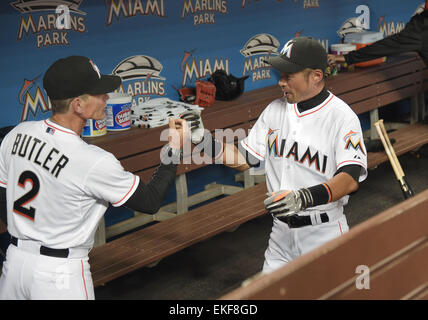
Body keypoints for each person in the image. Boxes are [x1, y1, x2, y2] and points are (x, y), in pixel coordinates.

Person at [0, 55, 189, 300]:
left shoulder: (18, 133)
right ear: (77, 105)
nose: (106, 98)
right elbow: (150, 201)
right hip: (58, 275)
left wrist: (28, 230)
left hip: (14, 264)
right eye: (99, 93)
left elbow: (3, 193)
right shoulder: (92, 160)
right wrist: (174, 149)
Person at [220, 36, 368, 274]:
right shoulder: (274, 110)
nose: (281, 82)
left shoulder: (342, 117)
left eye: (289, 76)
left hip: (324, 234)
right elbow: (245, 159)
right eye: (281, 75)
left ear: (316, 76)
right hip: (280, 235)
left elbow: (350, 179)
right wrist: (201, 141)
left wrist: (303, 198)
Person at [328, 3, 428, 67]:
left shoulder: (421, 27)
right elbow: (388, 45)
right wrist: (347, 58)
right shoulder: (421, 26)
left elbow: (388, 45)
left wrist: (346, 58)